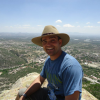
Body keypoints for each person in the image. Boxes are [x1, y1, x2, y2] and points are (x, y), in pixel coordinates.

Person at [15, 25, 83, 100]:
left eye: (52, 40)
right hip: (49, 95)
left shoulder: (70, 66)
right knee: (21, 93)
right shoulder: (49, 60)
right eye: (44, 41)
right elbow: (40, 79)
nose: (48, 44)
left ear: (59, 42)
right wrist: (24, 96)